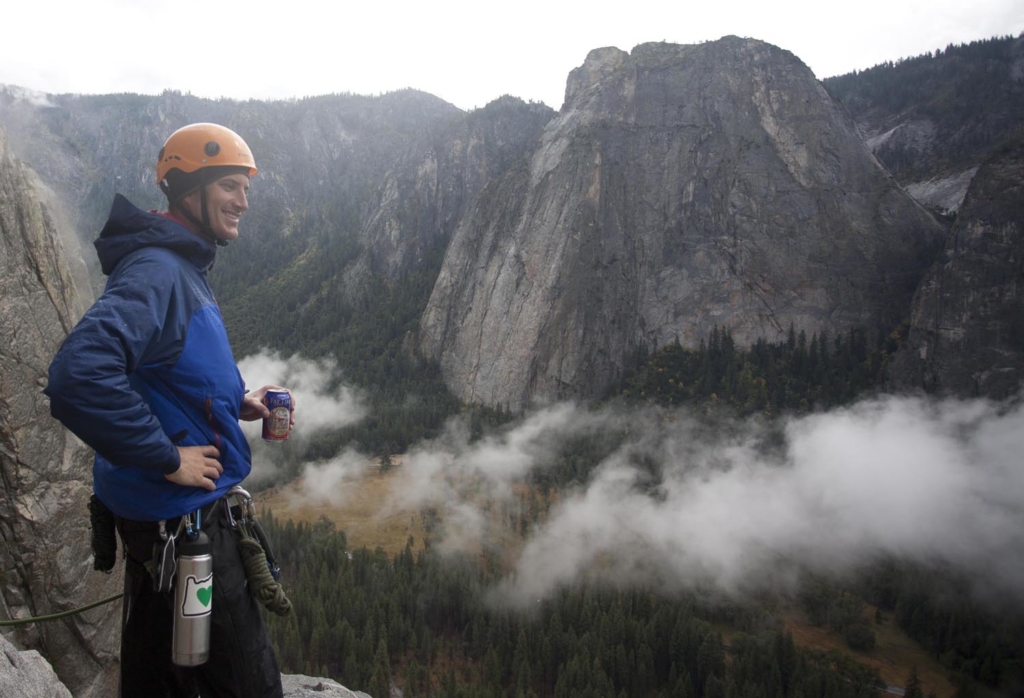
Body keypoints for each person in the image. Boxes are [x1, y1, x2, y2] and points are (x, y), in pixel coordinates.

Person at [46, 123, 291, 697]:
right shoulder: (159, 271)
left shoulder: (180, 266)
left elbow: (166, 372)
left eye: (246, 189)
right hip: (191, 537)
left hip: (165, 539)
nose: (243, 202)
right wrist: (165, 457)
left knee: (160, 685)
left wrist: (237, 403)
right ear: (189, 189)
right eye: (231, 186)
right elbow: (76, 376)